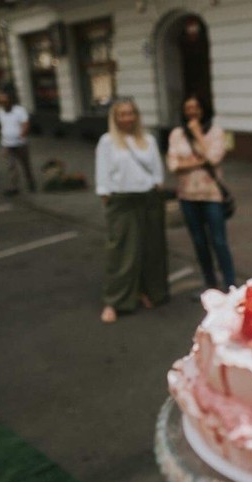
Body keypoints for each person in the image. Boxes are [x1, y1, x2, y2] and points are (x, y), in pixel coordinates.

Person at [95, 97, 168, 323]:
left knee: (151, 250)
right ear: (115, 117)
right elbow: (102, 173)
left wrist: (157, 185)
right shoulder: (107, 141)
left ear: (136, 116)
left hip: (148, 199)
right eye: (122, 114)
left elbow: (157, 170)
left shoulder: (148, 140)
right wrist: (106, 195)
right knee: (120, 253)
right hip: (122, 201)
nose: (127, 118)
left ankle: (148, 291)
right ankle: (114, 301)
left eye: (130, 113)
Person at [166, 95, 236, 295]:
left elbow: (213, 159)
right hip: (187, 196)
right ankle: (210, 285)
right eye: (188, 108)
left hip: (211, 195)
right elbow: (172, 164)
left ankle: (230, 285)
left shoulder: (216, 132)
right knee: (199, 242)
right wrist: (198, 162)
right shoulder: (177, 134)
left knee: (219, 241)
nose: (192, 111)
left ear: (203, 109)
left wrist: (197, 134)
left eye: (196, 107)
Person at [0, 91, 36, 195]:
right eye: (1, 102)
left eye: (5, 101)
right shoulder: (0, 111)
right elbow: (3, 126)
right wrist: (4, 144)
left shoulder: (19, 110)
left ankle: (31, 182)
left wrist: (22, 134)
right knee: (11, 166)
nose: (3, 104)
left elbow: (26, 124)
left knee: (25, 165)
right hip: (7, 144)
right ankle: (14, 187)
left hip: (20, 144)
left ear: (10, 101)